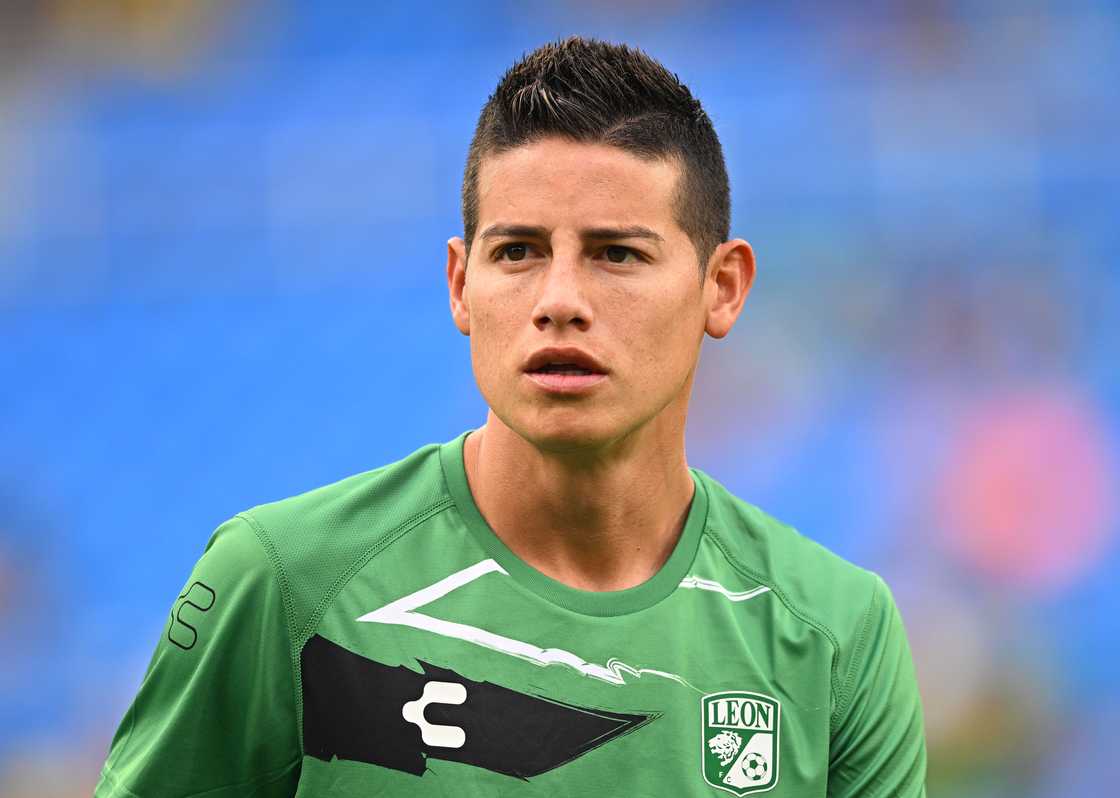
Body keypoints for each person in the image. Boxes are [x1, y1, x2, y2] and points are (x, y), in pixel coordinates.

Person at [93, 37, 926, 797]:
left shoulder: (835, 633)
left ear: (723, 287)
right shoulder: (283, 584)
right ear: (461, 285)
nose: (559, 300)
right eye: (518, 252)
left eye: (617, 254)